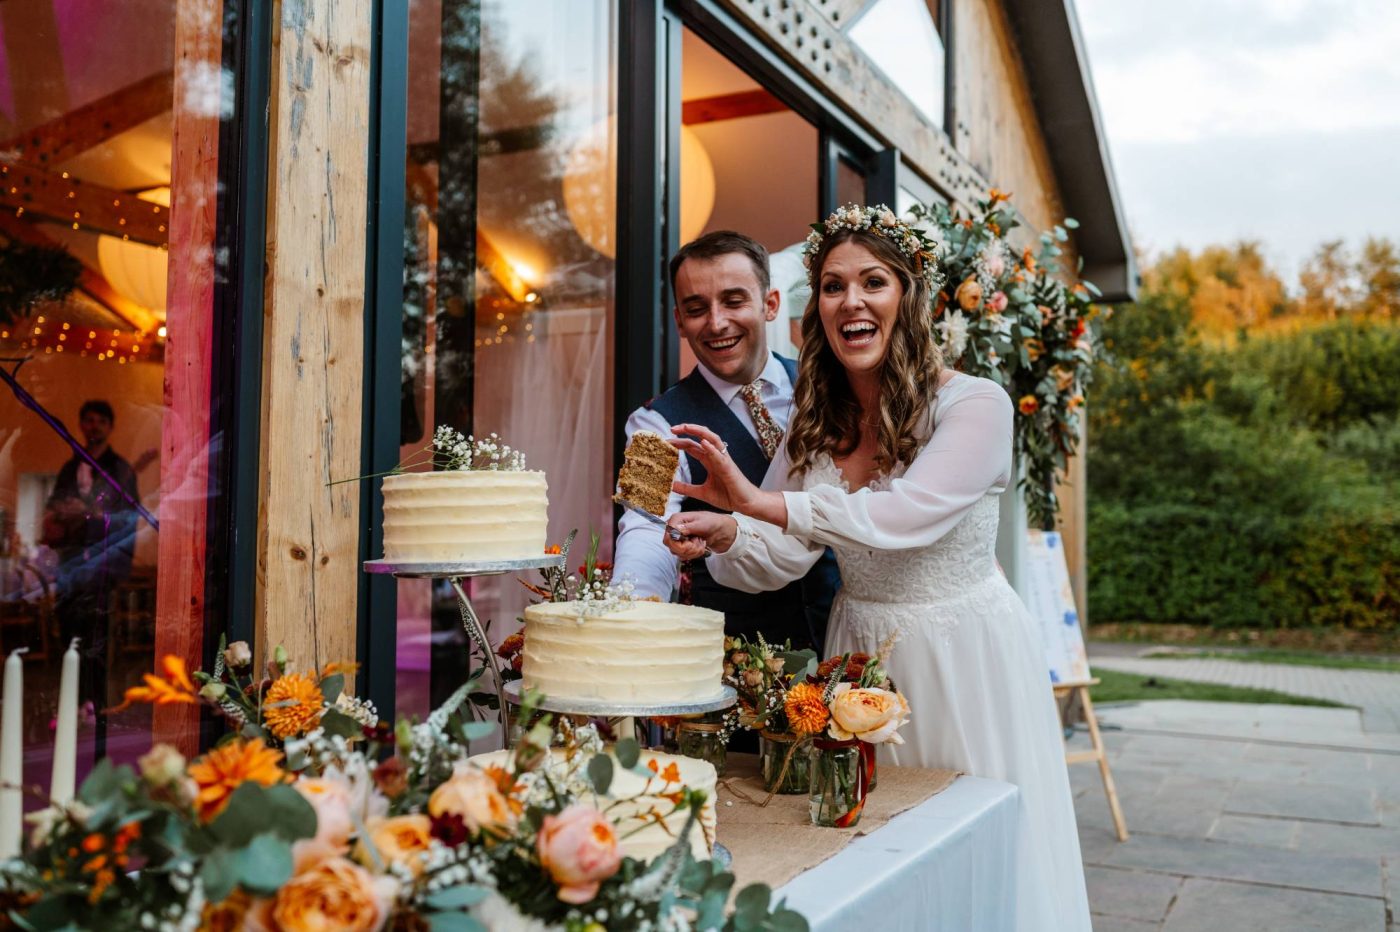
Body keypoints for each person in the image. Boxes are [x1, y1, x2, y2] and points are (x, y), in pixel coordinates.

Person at [663, 206, 1091, 930]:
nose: (851, 301)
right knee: (875, 857)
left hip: (964, 657)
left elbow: (900, 519)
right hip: (858, 658)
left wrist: (759, 503)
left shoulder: (976, 406)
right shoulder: (814, 422)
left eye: (873, 282)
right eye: (833, 286)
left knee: (973, 844)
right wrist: (728, 533)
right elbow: (782, 555)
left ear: (909, 295)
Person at [612, 230, 838, 651]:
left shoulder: (827, 391)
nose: (716, 323)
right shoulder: (653, 424)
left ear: (770, 304)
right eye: (696, 309)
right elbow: (645, 526)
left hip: (844, 641)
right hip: (737, 657)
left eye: (734, 301)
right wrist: (632, 617)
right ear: (680, 321)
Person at [42, 400, 140, 755]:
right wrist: (71, 516)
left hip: (101, 573)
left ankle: (97, 710)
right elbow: (53, 516)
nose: (94, 426)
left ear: (110, 426)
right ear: (81, 425)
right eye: (88, 420)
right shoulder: (69, 469)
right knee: (68, 640)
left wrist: (89, 517)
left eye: (100, 420)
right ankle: (70, 705)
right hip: (71, 571)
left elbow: (127, 522)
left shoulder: (121, 470)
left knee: (98, 644)